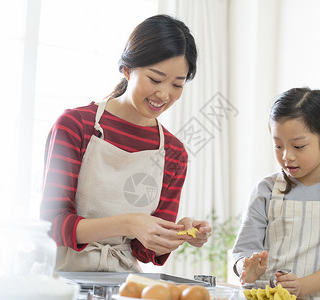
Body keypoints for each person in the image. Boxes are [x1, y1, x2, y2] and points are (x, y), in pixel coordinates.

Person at [40, 14, 211, 272]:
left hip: (123, 284)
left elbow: (143, 251)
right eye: (155, 79)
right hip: (62, 278)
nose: (164, 94)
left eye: (177, 84)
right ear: (127, 69)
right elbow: (52, 224)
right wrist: (129, 223)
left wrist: (177, 234)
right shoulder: (76, 126)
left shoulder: (174, 153)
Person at [232, 88, 320, 299]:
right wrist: (246, 268)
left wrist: (302, 286)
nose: (287, 156)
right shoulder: (265, 190)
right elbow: (244, 249)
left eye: (298, 146)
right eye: (278, 145)